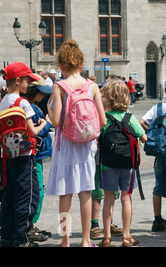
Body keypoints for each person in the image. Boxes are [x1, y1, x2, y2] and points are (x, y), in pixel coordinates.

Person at [45, 39, 107, 247]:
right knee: (85, 193)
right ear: (81, 64)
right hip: (86, 145)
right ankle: (86, 240)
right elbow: (103, 120)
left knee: (65, 195)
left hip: (65, 146)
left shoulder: (59, 86)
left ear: (61, 66)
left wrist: (48, 108)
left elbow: (56, 121)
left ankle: (65, 241)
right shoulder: (92, 85)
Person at [98, 80, 146, 247]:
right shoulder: (130, 118)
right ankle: (126, 236)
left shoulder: (104, 118)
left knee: (108, 200)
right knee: (126, 199)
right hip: (128, 163)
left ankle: (106, 237)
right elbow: (144, 138)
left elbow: (98, 138)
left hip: (108, 164)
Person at [0, 63, 42, 247]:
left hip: (7, 155)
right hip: (24, 155)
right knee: (27, 195)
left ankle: (7, 235)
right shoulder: (23, 102)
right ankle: (21, 237)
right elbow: (32, 132)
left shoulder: (2, 101)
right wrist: (45, 124)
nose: (28, 84)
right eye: (26, 80)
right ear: (18, 81)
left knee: (9, 194)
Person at [140, 78, 166, 232]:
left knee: (158, 186)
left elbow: (141, 121)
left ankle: (157, 220)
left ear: (165, 91)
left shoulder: (157, 107)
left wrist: (151, 133)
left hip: (158, 152)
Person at [21, 75, 54, 242]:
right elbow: (36, 131)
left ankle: (32, 224)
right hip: (36, 154)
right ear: (36, 92)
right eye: (42, 93)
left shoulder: (34, 107)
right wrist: (47, 123)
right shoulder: (31, 109)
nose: (44, 96)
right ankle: (30, 225)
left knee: (38, 189)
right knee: (38, 191)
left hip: (39, 155)